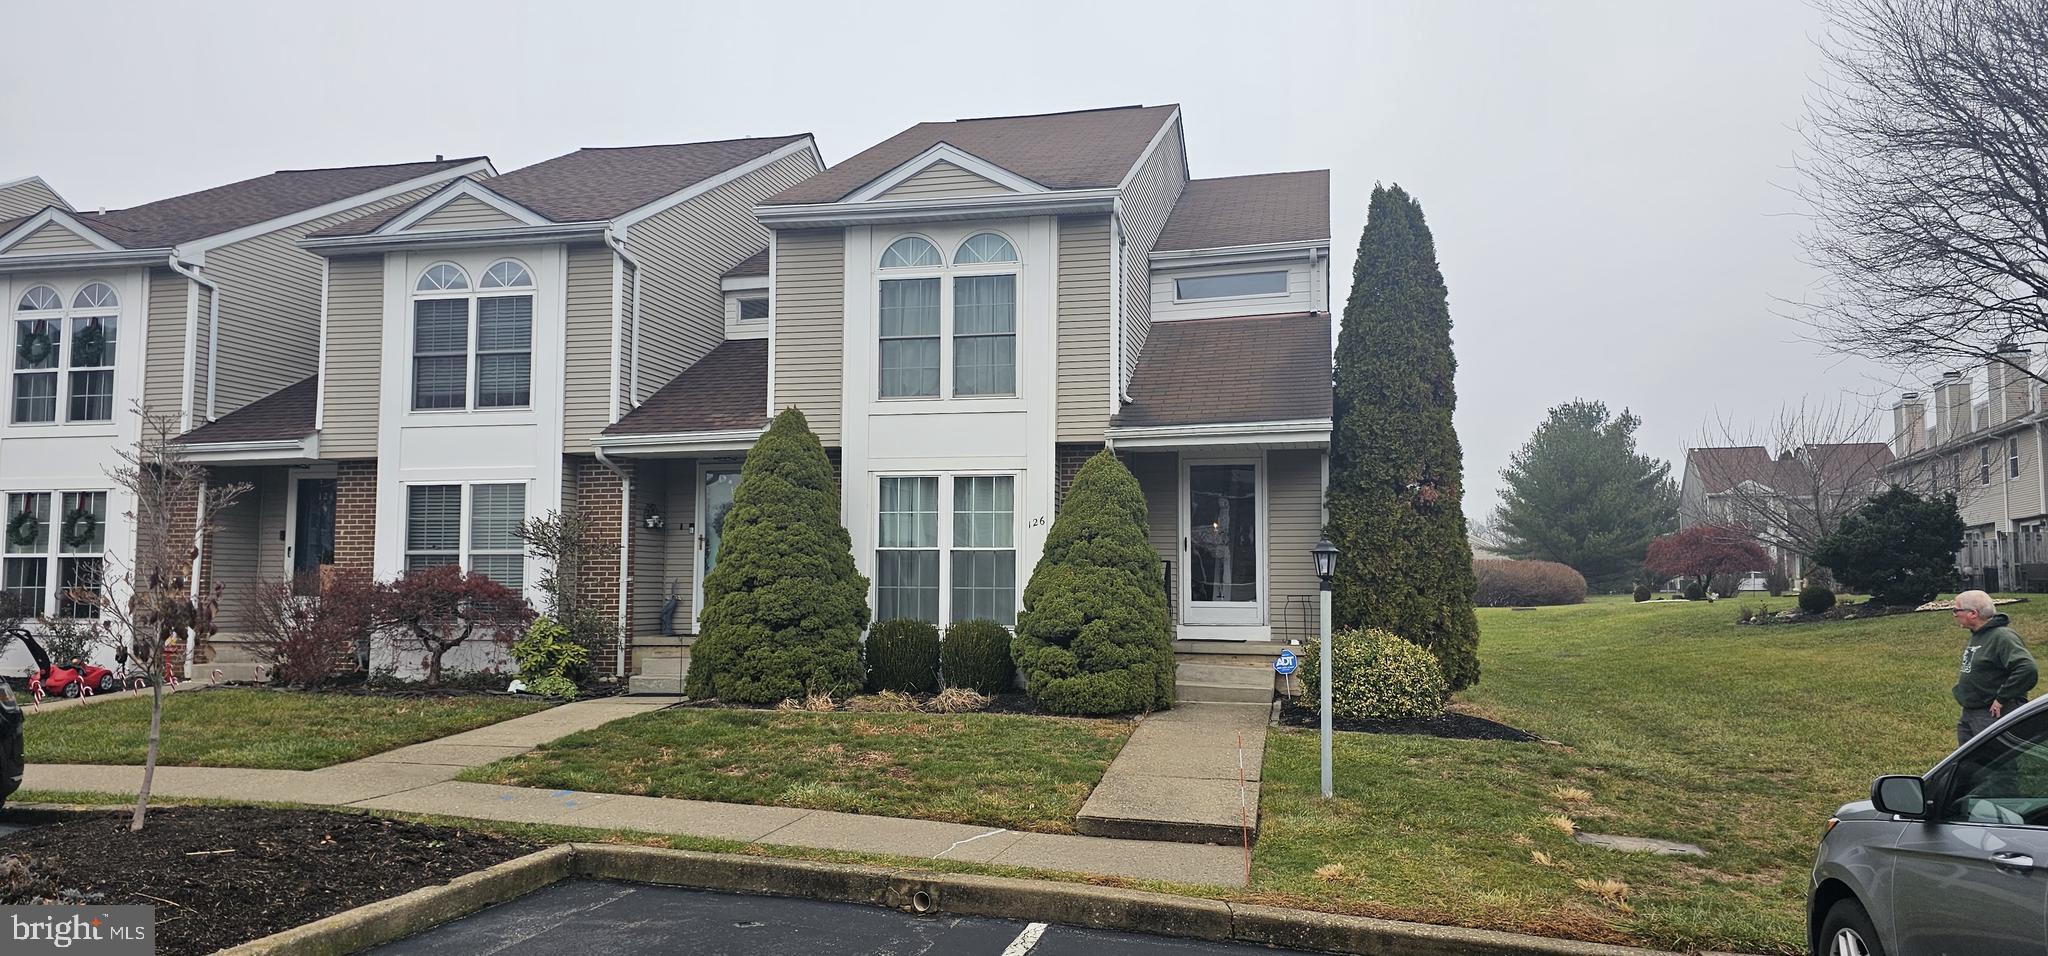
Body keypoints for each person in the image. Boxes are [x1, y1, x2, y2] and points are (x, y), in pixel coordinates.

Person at [1952, 590, 2038, 745]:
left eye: (1956, 610)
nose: (1954, 614)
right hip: (1971, 711)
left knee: (1993, 761)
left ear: (1973, 613)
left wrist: (2001, 698)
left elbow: (2027, 669)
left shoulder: (2002, 637)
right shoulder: (1978, 635)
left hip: (1991, 713)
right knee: (1969, 763)